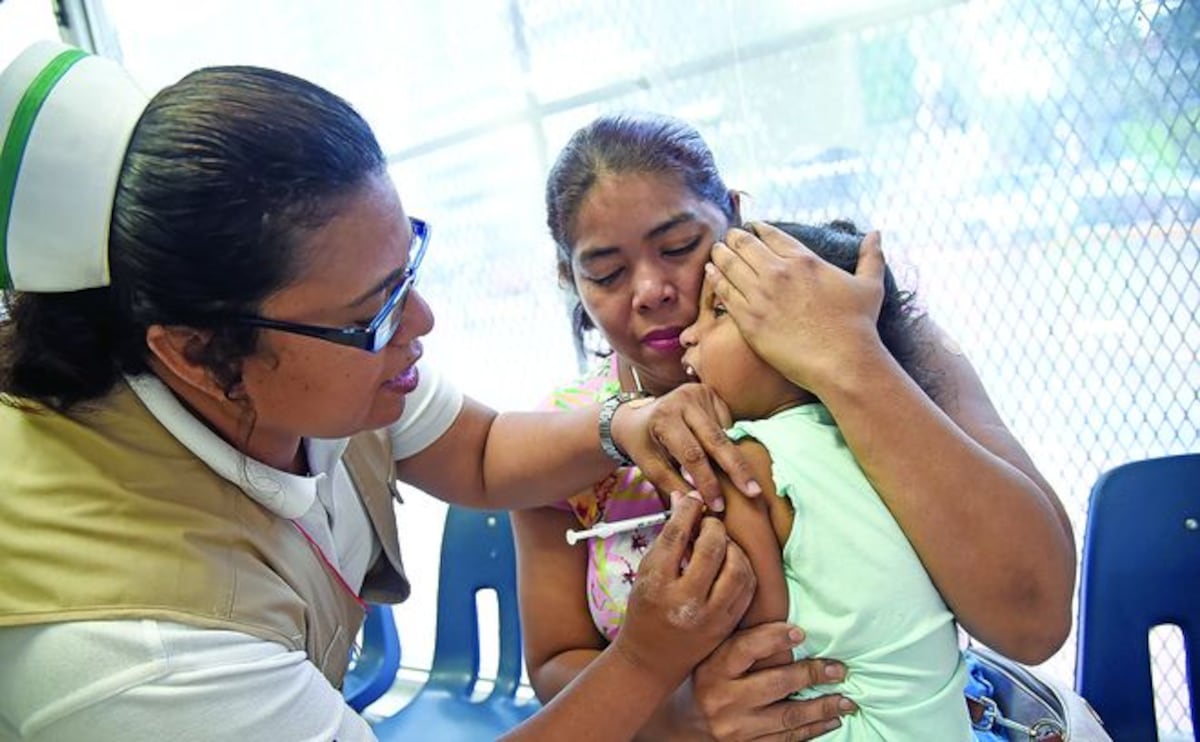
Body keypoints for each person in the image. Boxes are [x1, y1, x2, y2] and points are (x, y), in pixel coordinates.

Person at [0, 43, 763, 742]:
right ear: (199, 355)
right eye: (372, 314)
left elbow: (483, 451)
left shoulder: (305, 364)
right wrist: (644, 667)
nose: (421, 324)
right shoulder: (139, 656)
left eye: (407, 274)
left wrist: (623, 427)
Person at [513, 112, 1077, 740]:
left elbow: (1036, 619)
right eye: (607, 273)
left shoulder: (868, 341)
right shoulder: (567, 439)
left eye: (678, 247)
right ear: (570, 278)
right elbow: (553, 662)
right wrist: (677, 719)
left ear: (732, 217)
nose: (651, 289)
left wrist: (849, 362)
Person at [679, 219, 973, 740]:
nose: (689, 333)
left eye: (718, 311)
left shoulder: (743, 459)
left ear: (793, 337)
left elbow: (757, 639)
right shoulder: (889, 442)